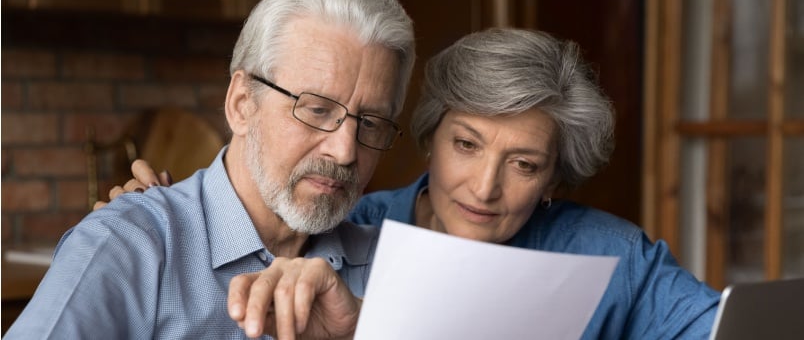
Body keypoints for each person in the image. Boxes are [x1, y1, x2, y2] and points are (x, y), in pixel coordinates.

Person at [102, 29, 722, 338]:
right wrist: (177, 221)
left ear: (555, 177)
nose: (484, 188)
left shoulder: (615, 256)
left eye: (524, 164)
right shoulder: (344, 231)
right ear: (429, 136)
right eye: (467, 145)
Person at [5, 0, 415, 339]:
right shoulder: (128, 245)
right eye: (317, 109)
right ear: (241, 104)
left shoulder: (395, 268)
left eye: (372, 123)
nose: (345, 152)